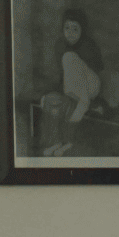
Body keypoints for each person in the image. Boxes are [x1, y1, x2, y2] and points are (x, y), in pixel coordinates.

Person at [37, 8, 103, 156]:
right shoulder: (60, 45)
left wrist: (91, 100)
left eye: (75, 28)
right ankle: (57, 143)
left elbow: (95, 72)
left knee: (69, 57)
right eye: (67, 28)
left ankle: (85, 102)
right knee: (50, 99)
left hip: (91, 86)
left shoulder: (88, 45)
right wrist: (46, 94)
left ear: (82, 30)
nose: (70, 32)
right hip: (73, 90)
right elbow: (62, 76)